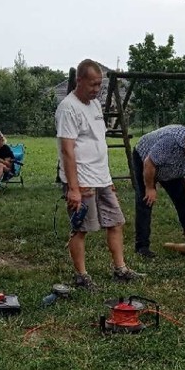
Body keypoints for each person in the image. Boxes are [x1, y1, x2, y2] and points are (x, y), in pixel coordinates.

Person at [56, 59, 142, 291]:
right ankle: (81, 276)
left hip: (101, 178)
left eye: (100, 85)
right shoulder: (68, 107)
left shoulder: (94, 105)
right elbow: (67, 150)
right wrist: (73, 188)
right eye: (93, 85)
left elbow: (97, 142)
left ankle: (120, 269)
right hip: (82, 181)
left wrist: (108, 178)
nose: (97, 90)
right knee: (81, 228)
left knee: (116, 222)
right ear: (79, 80)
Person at [132, 125, 185, 258]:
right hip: (145, 159)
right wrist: (150, 188)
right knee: (145, 201)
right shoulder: (171, 141)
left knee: (182, 200)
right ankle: (142, 246)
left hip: (171, 168)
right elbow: (149, 163)